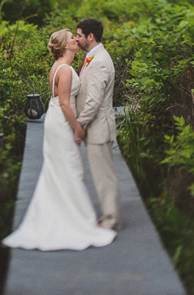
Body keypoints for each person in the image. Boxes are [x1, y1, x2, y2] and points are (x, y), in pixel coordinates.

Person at [2, 29, 116, 251]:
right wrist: (78, 128)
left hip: (58, 119)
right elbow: (64, 103)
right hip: (63, 121)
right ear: (65, 46)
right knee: (68, 167)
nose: (76, 39)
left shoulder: (62, 67)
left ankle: (65, 213)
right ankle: (70, 220)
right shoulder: (64, 69)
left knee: (61, 168)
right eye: (72, 37)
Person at [75, 18, 122, 231]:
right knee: (104, 175)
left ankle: (112, 219)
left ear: (90, 36)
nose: (77, 38)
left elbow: (93, 101)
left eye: (79, 35)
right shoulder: (94, 57)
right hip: (98, 127)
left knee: (104, 177)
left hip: (98, 128)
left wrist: (80, 124)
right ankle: (109, 215)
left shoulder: (99, 61)